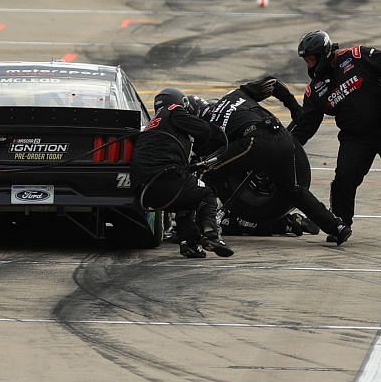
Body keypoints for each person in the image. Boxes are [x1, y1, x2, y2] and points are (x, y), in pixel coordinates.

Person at [290, 30, 381, 242]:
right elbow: (307, 125)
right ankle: (339, 225)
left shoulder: (357, 56)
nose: (309, 65)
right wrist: (290, 145)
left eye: (311, 60)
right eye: (306, 61)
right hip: (355, 138)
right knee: (343, 179)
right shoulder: (315, 90)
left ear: (323, 54)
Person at [198, 78, 347, 243]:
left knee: (208, 172)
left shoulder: (210, 125)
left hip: (257, 140)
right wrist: (294, 108)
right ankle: (337, 227)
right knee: (293, 190)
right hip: (284, 137)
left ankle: (208, 227)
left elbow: (213, 159)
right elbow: (273, 83)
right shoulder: (236, 95)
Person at [131, 90, 232, 258]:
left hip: (143, 191)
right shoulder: (173, 110)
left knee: (186, 200)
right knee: (207, 193)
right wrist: (218, 133)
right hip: (165, 179)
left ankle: (189, 243)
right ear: (181, 102)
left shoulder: (152, 124)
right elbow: (204, 130)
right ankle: (212, 236)